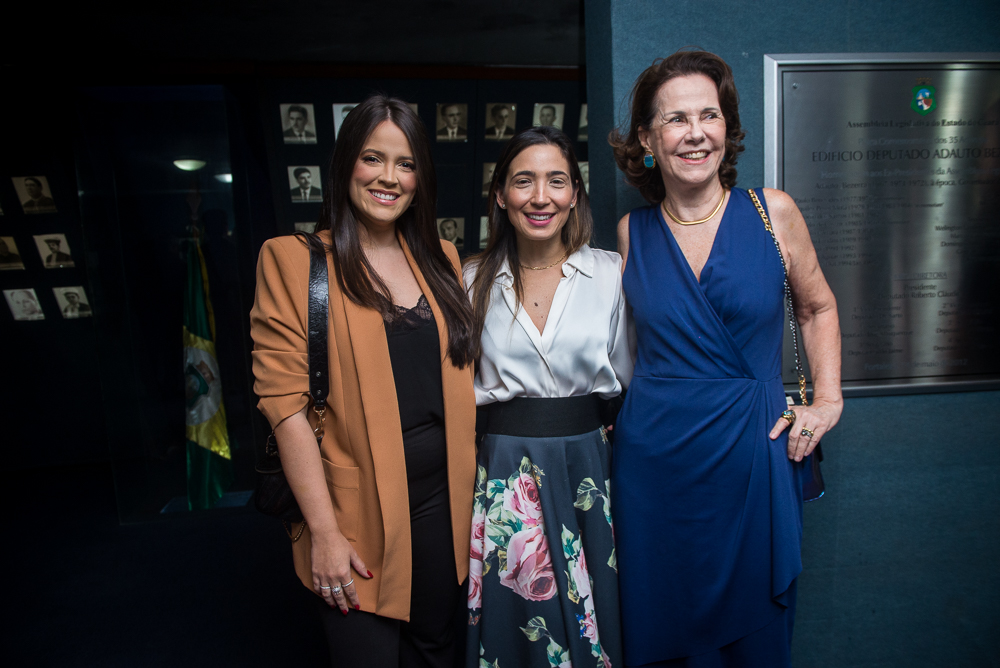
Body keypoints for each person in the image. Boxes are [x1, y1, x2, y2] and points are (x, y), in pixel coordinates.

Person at [609, 50, 843, 667]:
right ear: (647, 138)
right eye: (676, 118)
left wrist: (827, 401)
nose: (695, 133)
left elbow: (817, 307)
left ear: (727, 127)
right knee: (662, 630)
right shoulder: (632, 233)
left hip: (753, 454)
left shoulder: (773, 213)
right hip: (653, 468)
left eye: (708, 115)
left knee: (755, 639)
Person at [251, 95, 478, 667]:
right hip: (354, 514)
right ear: (345, 163)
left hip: (445, 503)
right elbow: (285, 409)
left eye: (405, 164)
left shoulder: (443, 259)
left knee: (438, 649)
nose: (388, 178)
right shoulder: (293, 261)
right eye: (373, 158)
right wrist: (325, 532)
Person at [465, 126, 633, 667]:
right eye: (524, 181)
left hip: (589, 466)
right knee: (518, 626)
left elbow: (631, 379)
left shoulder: (611, 273)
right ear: (500, 194)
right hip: (502, 470)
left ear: (575, 193)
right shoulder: (469, 280)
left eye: (556, 181)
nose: (541, 197)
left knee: (595, 618)